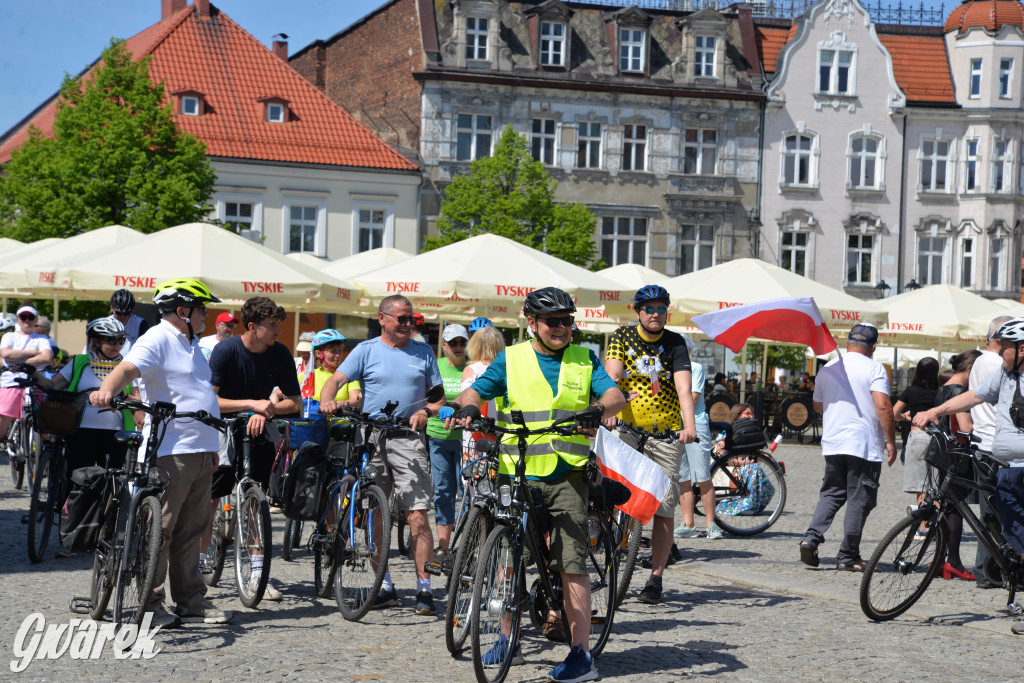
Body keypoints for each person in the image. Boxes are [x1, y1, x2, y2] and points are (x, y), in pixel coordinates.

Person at [447, 286, 626, 682]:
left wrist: (597, 409)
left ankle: (581, 656)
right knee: (509, 559)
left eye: (567, 321)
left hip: (567, 474)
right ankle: (506, 638)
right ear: (532, 324)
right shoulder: (512, 359)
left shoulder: (584, 357)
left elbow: (615, 395)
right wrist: (468, 406)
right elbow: (477, 389)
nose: (562, 328)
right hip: (517, 471)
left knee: (570, 562)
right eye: (552, 322)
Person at [90, 277, 231, 628]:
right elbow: (127, 368)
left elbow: (198, 392)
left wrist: (210, 447)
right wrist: (106, 389)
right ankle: (150, 603)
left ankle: (190, 602)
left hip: (199, 447)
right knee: (162, 529)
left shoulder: (190, 343)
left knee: (193, 528)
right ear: (183, 311)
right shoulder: (158, 337)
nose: (205, 317)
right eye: (202, 310)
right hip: (171, 448)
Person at [319, 295, 446, 616]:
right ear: (383, 318)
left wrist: (427, 412)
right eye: (402, 318)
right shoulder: (366, 350)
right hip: (371, 437)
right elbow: (335, 380)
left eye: (411, 319)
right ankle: (384, 583)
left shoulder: (423, 351)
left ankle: (424, 588)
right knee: (376, 511)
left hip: (408, 438)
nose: (408, 324)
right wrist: (327, 400)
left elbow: (439, 396)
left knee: (417, 512)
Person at [914, 317, 1024, 634]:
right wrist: (936, 411)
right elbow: (973, 396)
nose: (999, 352)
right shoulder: (1005, 374)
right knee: (1008, 528)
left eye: (1005, 347)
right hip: (1006, 468)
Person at [604, 285, 699, 606]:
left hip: (667, 433)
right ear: (638, 312)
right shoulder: (622, 337)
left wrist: (690, 426)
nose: (655, 313)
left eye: (661, 308)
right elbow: (613, 375)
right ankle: (612, 553)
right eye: (649, 308)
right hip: (628, 429)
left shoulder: (675, 343)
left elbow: (684, 388)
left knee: (664, 506)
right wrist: (610, 409)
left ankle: (656, 576)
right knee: (613, 495)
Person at [207, 296, 302, 602]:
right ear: (252, 326)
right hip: (223, 425)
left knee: (255, 501)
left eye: (278, 325)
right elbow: (210, 401)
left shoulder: (281, 353)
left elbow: (295, 402)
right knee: (211, 491)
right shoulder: (226, 350)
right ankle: (199, 559)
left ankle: (258, 573)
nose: (278, 331)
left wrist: (266, 411)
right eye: (272, 325)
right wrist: (251, 405)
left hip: (261, 424)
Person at [799, 323, 896, 572]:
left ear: (847, 343)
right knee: (859, 499)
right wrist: (891, 441)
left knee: (831, 493)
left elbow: (818, 406)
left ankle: (810, 539)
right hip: (863, 444)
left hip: (833, 442)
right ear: (873, 347)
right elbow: (883, 407)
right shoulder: (875, 368)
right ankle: (848, 555)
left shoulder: (828, 368)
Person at [47, 318, 135, 473]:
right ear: (96, 341)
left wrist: (124, 396)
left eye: (121, 340)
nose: (117, 345)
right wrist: (34, 375)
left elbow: (139, 401)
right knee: (78, 479)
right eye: (111, 340)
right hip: (81, 429)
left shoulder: (128, 367)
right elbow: (54, 385)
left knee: (110, 481)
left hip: (115, 432)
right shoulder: (80, 362)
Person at [931, 350, 982, 581]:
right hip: (958, 455)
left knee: (946, 507)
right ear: (970, 369)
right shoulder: (960, 391)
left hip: (943, 452)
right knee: (956, 509)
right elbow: (966, 427)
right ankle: (953, 561)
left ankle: (941, 560)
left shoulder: (943, 387)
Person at [969, 316, 1013, 588]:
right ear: (1001, 339)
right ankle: (994, 570)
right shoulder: (1001, 364)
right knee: (1005, 512)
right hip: (996, 445)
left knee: (989, 513)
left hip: (981, 442)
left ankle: (984, 569)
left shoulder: (978, 361)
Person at [425, 324, 468, 562]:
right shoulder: (436, 367)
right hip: (438, 437)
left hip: (466, 439)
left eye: (463, 342)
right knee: (443, 491)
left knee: (468, 493)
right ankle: (443, 547)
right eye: (454, 343)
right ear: (444, 345)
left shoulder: (472, 368)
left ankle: (468, 545)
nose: (459, 347)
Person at [676, 355, 718, 543]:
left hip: (696, 423)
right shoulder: (666, 370)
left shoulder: (695, 368)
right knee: (683, 477)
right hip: (674, 425)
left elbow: (692, 398)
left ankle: (711, 524)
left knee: (702, 476)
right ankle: (688, 524)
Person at [892, 357, 939, 522]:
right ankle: (936, 525)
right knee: (935, 484)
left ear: (917, 372)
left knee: (922, 485)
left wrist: (906, 417)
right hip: (937, 437)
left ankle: (924, 526)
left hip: (918, 435)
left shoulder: (910, 391)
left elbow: (894, 413)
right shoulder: (940, 392)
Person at [0, 303, 53, 443]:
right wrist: (34, 353)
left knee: (45, 425)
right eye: (23, 317)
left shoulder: (42, 338)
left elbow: (47, 358)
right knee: (2, 422)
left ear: (36, 319)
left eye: (30, 317)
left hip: (35, 382)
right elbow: (6, 354)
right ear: (18, 319)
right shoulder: (9, 336)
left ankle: (44, 458)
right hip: (11, 382)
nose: (27, 320)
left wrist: (21, 362)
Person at [460, 325, 505, 459]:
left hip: (476, 433)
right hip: (500, 430)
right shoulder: (503, 370)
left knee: (473, 475)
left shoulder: (471, 370)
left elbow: (465, 401)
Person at [300, 329, 362, 416]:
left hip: (341, 425)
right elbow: (285, 392)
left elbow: (357, 400)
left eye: (340, 350)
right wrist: (274, 395)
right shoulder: (309, 375)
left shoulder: (347, 375)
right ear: (318, 353)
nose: (338, 355)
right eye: (333, 351)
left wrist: (343, 404)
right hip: (314, 425)